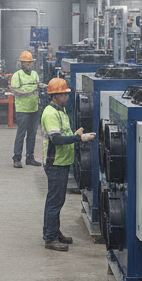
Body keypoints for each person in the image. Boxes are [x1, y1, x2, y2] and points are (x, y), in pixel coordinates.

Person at [39, 78, 95, 252]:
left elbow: (63, 133)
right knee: (55, 201)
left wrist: (75, 134)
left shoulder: (61, 111)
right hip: (55, 163)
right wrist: (79, 138)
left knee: (57, 200)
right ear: (55, 96)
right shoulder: (50, 113)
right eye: (64, 94)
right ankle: (50, 238)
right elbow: (56, 139)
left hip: (62, 161)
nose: (66, 97)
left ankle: (54, 232)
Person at [9, 50, 41, 168]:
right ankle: (17, 158)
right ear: (21, 63)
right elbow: (15, 91)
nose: (28, 64)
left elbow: (38, 86)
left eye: (29, 62)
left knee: (32, 134)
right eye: (26, 62)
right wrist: (28, 93)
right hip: (22, 110)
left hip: (34, 108)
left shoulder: (35, 74)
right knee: (21, 134)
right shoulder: (17, 75)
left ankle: (30, 157)